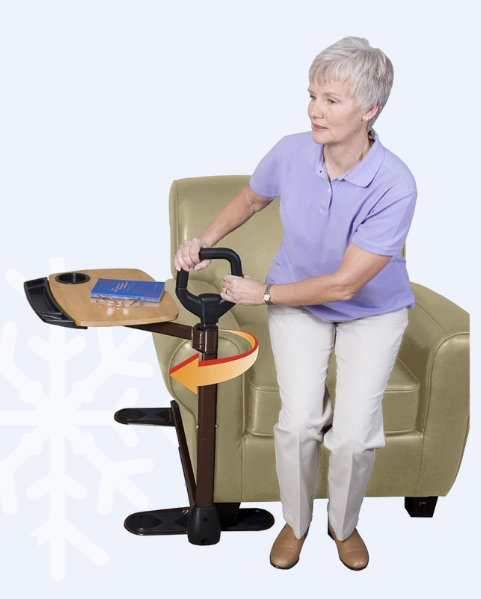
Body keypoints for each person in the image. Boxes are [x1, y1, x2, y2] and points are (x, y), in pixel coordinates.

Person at [174, 36, 416, 571]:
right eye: (311, 96)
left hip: (370, 310)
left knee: (353, 436)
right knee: (300, 421)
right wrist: (204, 242)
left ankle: (343, 526)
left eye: (331, 100)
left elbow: (345, 285)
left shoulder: (394, 183)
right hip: (297, 303)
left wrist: (262, 293)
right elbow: (252, 196)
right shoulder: (291, 150)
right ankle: (296, 521)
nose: (314, 110)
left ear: (370, 109)